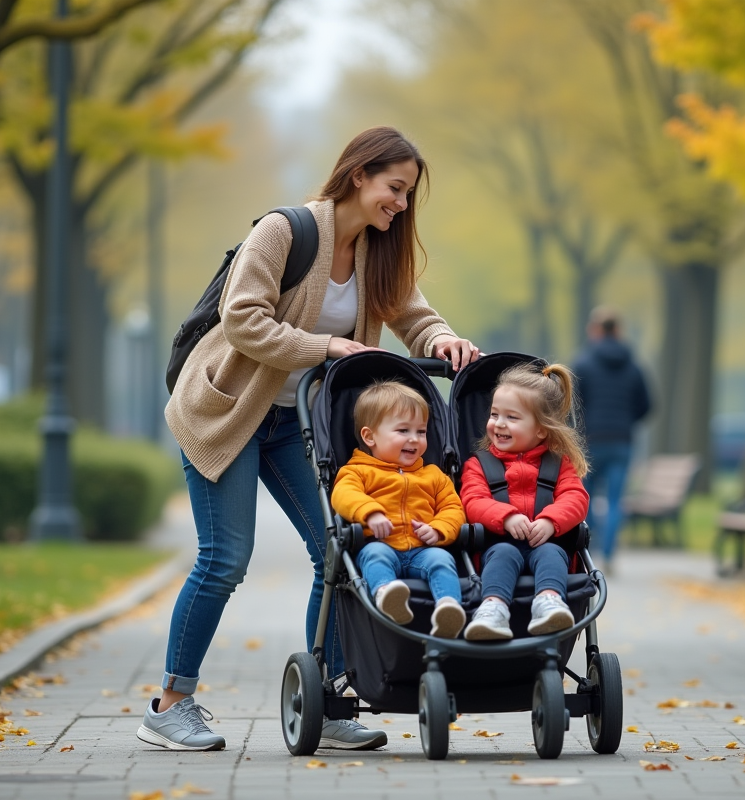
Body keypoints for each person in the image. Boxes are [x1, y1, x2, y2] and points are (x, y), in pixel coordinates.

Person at [139, 127, 480, 753]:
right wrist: (325, 346)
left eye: (407, 196)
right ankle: (171, 704)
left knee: (337, 554)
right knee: (224, 559)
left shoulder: (379, 251)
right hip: (229, 411)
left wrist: (443, 341)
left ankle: (328, 698)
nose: (400, 205)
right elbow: (242, 320)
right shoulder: (284, 231)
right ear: (359, 175)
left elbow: (413, 316)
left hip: (297, 423)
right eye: (394, 189)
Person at [460, 362, 590, 641]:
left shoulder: (559, 465)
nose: (499, 424)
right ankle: (493, 608)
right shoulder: (478, 465)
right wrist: (505, 516)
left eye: (512, 418)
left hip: (545, 542)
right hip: (497, 546)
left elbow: (576, 498)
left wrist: (550, 520)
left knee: (553, 554)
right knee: (505, 554)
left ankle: (549, 602)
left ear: (541, 429)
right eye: (494, 414)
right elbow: (472, 500)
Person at [331, 381, 467, 638]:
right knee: (374, 556)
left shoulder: (433, 475)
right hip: (381, 543)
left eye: (422, 432)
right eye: (403, 430)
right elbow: (343, 495)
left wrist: (438, 530)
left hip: (423, 550)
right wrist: (370, 512)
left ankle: (449, 608)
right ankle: (386, 594)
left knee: (443, 560)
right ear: (369, 436)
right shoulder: (357, 471)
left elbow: (452, 507)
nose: (414, 440)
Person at [573, 307, 651, 572]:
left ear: (595, 330)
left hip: (591, 440)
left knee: (587, 495)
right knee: (616, 499)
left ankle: (590, 549)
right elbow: (646, 405)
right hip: (621, 441)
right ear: (618, 331)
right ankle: (609, 554)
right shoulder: (634, 367)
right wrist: (626, 421)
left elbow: (573, 404)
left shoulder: (583, 364)